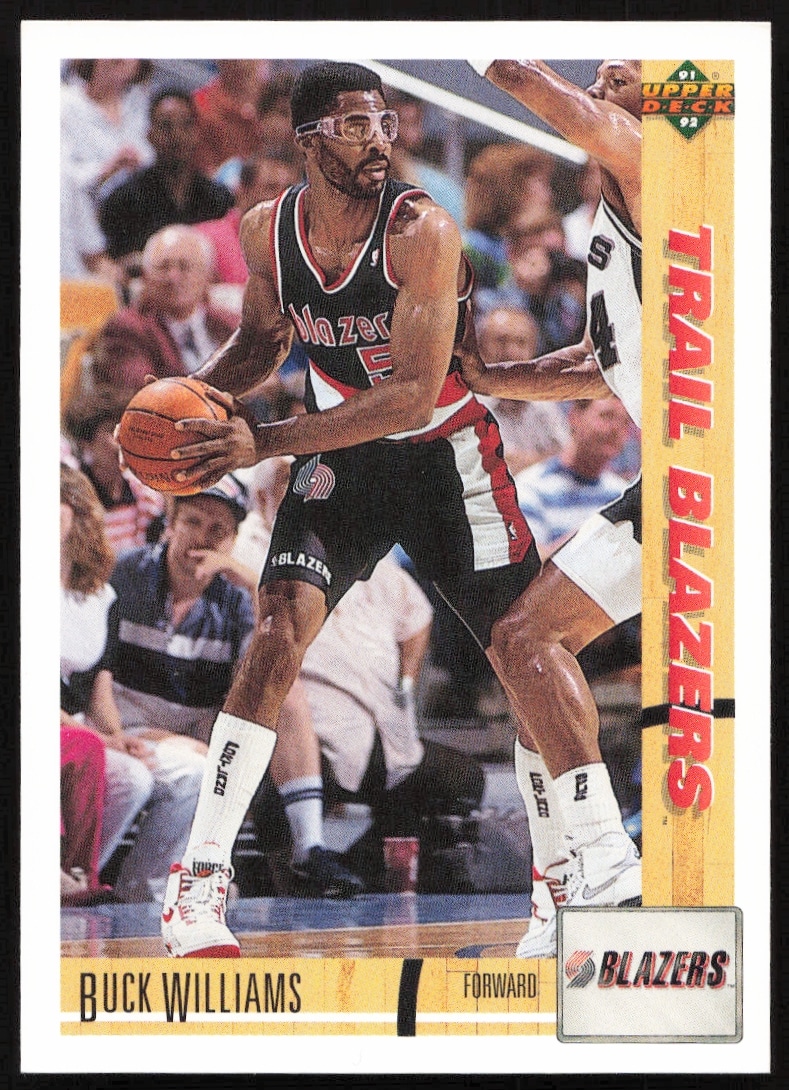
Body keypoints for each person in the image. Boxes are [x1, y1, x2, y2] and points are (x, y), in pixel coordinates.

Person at [153, 61, 547, 959]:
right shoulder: (267, 229)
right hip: (344, 456)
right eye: (355, 124)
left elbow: (409, 396)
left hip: (444, 454)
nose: (379, 139)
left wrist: (265, 439)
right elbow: (260, 341)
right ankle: (199, 882)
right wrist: (186, 403)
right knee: (274, 635)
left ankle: (558, 880)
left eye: (385, 122)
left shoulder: (422, 230)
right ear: (307, 140)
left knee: (523, 655)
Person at [460, 58, 643, 956]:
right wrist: (487, 375)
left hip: (714, 474)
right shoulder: (607, 217)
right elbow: (601, 363)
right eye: (603, 66)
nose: (609, 70)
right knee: (524, 643)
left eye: (629, 69)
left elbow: (544, 95)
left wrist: (488, 54)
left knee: (527, 639)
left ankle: (602, 860)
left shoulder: (655, 159)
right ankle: (579, 874)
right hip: (677, 478)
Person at [60, 464, 157, 901]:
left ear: (77, 511)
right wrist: (95, 737)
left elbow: (101, 687)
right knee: (86, 747)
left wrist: (117, 737)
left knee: (134, 775)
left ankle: (88, 874)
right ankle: (65, 873)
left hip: (75, 723)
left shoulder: (101, 595)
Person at [90, 225, 237, 396]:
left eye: (185, 267)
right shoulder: (126, 329)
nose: (173, 277)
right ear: (145, 277)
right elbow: (147, 393)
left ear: (208, 276)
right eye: (163, 267)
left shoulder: (231, 324)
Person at [98, 89, 234, 264]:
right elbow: (113, 264)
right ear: (149, 134)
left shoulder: (219, 199)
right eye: (166, 126)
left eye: (186, 125)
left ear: (197, 133)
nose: (177, 136)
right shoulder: (123, 199)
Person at [513, 396, 632, 560]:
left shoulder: (623, 494)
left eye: (625, 422)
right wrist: (593, 535)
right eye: (606, 416)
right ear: (574, 417)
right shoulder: (530, 488)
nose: (616, 429)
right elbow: (531, 566)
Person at [63, 386, 166, 555]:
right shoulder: (71, 500)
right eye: (112, 431)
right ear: (86, 442)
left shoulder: (145, 496)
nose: (124, 440)